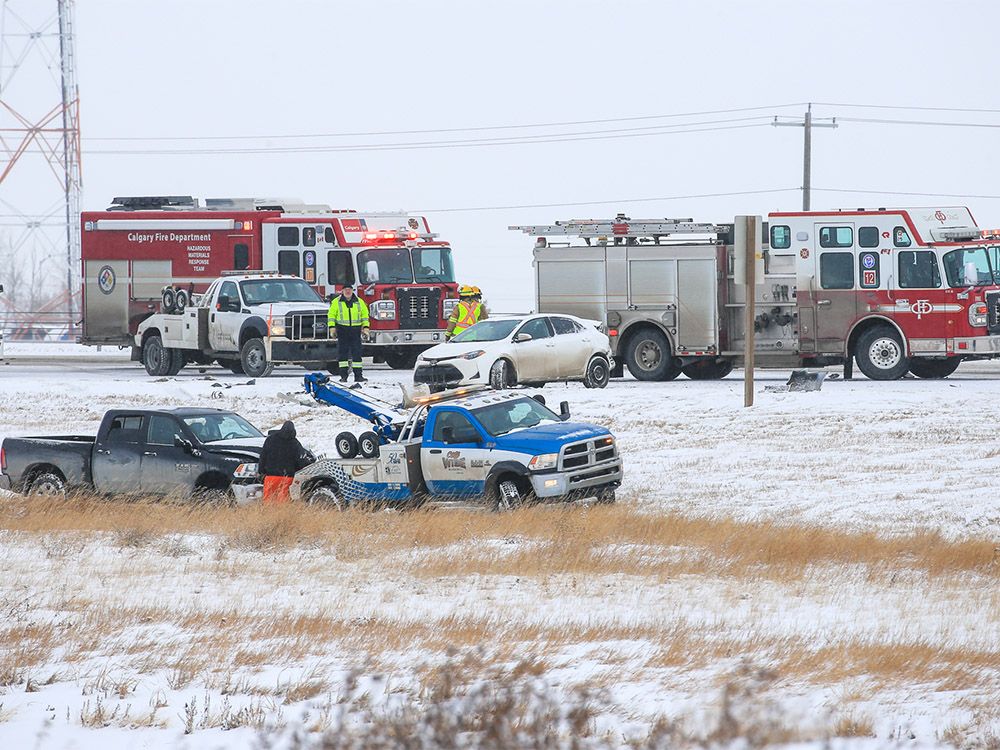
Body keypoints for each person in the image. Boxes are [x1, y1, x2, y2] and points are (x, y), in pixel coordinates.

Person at [328, 285, 370, 383]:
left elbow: (365, 316)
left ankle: (358, 376)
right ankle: (343, 376)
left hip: (355, 330)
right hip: (342, 330)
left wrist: (366, 328)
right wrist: (332, 328)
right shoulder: (336, 302)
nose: (348, 291)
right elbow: (331, 315)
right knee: (343, 354)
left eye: (349, 290)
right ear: (342, 291)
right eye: (346, 290)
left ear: (352, 290)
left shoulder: (359, 302)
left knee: (357, 353)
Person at [259, 420, 304, 505]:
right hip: (287, 478)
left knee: (268, 501)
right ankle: (281, 517)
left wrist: (261, 471)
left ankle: (267, 516)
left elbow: (263, 456)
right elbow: (299, 460)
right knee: (283, 501)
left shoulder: (270, 439)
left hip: (271, 477)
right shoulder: (294, 443)